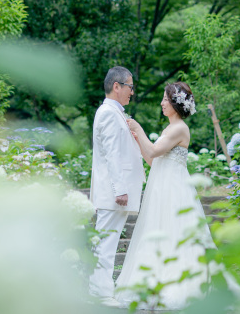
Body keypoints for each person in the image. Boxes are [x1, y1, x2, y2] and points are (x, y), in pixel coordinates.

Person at [116, 81, 240, 310]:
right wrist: (138, 141)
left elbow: (155, 150)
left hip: (174, 189)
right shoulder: (168, 129)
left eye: (165, 99)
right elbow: (152, 160)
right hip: (160, 188)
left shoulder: (179, 128)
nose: (162, 103)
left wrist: (138, 129)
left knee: (178, 232)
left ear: (176, 103)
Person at [88, 66, 145, 305]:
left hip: (115, 191)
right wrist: (120, 189)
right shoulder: (109, 113)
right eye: (130, 87)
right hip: (113, 192)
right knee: (107, 241)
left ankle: (99, 290)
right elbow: (112, 154)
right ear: (117, 86)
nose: (132, 92)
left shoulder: (114, 112)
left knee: (107, 240)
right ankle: (100, 293)